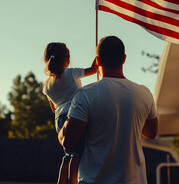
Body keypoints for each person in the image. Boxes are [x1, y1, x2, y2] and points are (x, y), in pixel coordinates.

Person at [58, 36, 158, 184]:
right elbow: (151, 133)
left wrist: (61, 119)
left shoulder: (85, 95)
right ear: (124, 58)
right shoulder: (144, 93)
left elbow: (67, 141)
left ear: (97, 61)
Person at [42, 42, 98, 184]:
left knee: (67, 155)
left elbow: (54, 108)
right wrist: (98, 56)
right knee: (76, 155)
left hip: (59, 121)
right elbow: (93, 69)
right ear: (66, 58)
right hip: (74, 117)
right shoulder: (71, 73)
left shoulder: (47, 85)